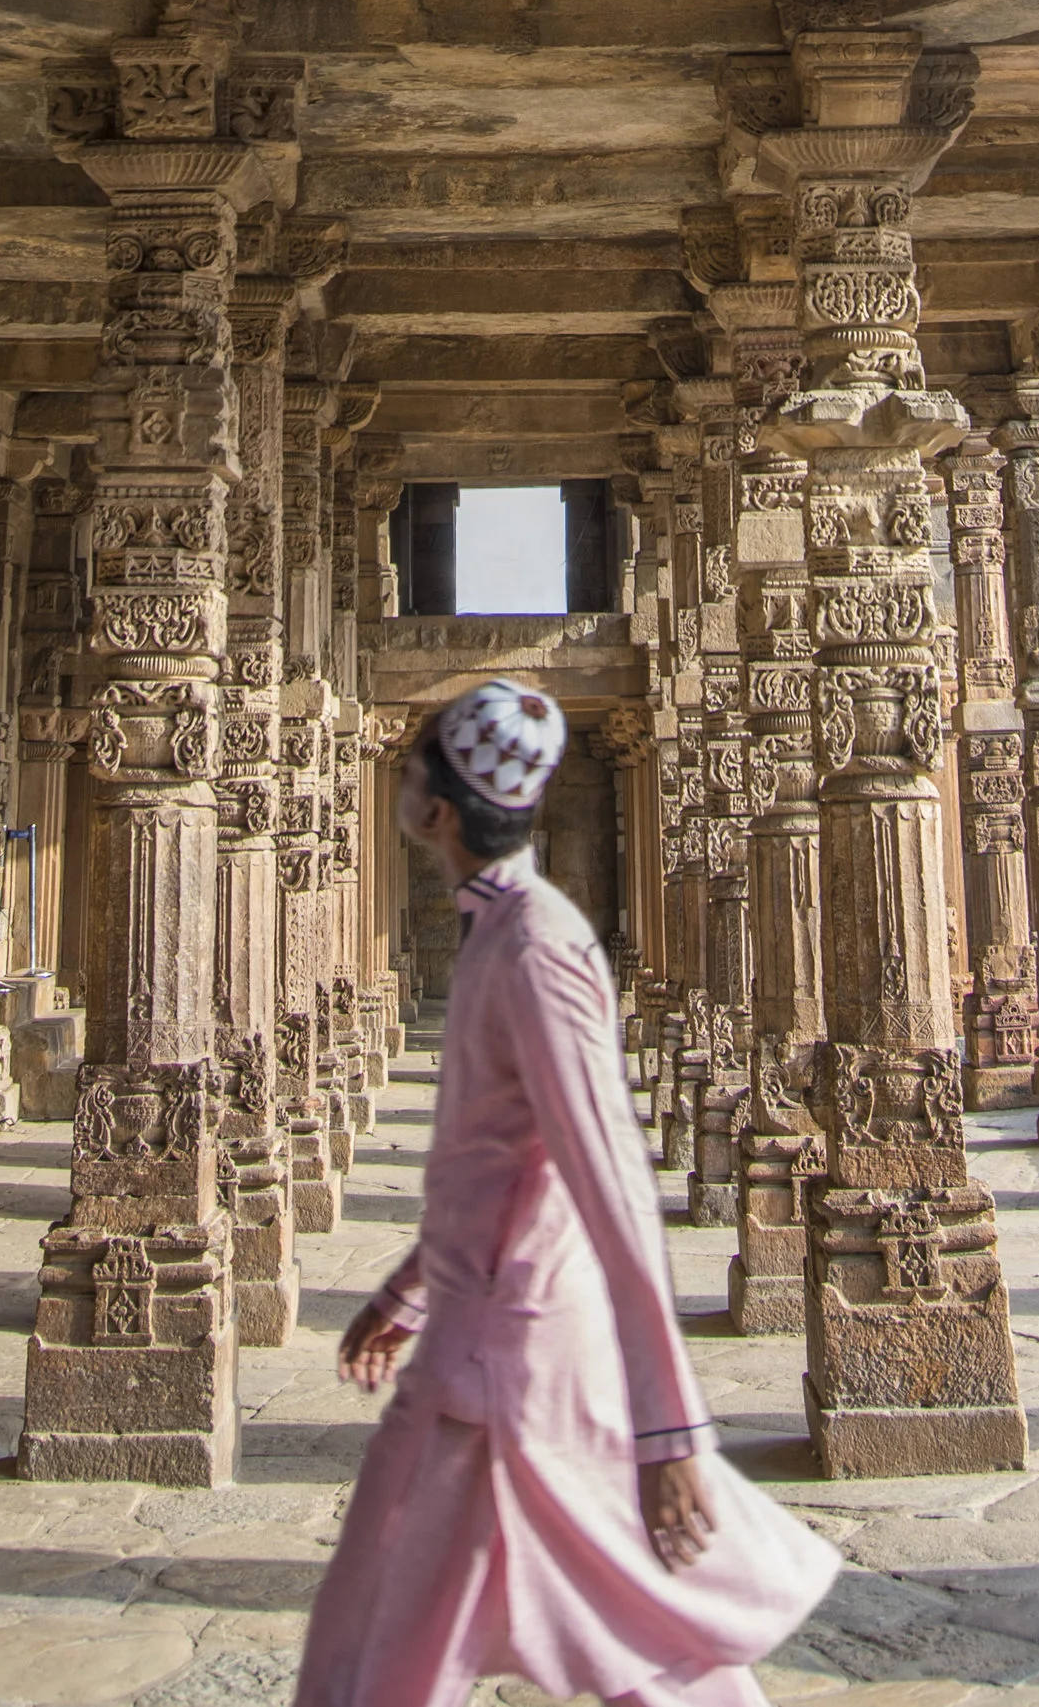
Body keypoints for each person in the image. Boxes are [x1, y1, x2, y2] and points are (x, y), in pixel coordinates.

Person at [293, 678, 839, 1707]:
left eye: (411, 768)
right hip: (492, 1342)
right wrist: (408, 1290)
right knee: (625, 1635)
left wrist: (669, 1430)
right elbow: (505, 1166)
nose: (399, 780)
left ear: (436, 809)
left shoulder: (537, 948)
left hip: (510, 1362)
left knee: (379, 1644)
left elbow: (612, 1186)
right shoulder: (502, 933)